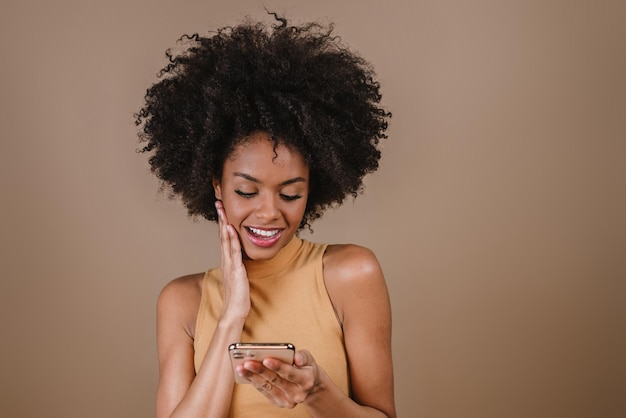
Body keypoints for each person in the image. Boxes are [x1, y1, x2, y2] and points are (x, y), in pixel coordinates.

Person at [136, 13, 395, 418]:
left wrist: (318, 393)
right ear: (216, 185)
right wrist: (232, 315)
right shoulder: (182, 302)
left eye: (291, 193)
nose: (270, 213)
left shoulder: (350, 274)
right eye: (246, 191)